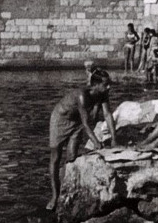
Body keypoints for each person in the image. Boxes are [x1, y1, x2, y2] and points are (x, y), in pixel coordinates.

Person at [47, 70, 116, 211]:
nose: (109, 87)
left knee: (71, 157)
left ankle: (67, 189)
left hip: (77, 121)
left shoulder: (103, 94)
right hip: (60, 119)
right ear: (95, 85)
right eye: (105, 84)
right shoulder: (82, 95)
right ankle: (55, 195)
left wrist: (114, 139)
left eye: (109, 84)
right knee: (55, 157)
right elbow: (86, 124)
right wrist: (96, 142)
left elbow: (108, 115)